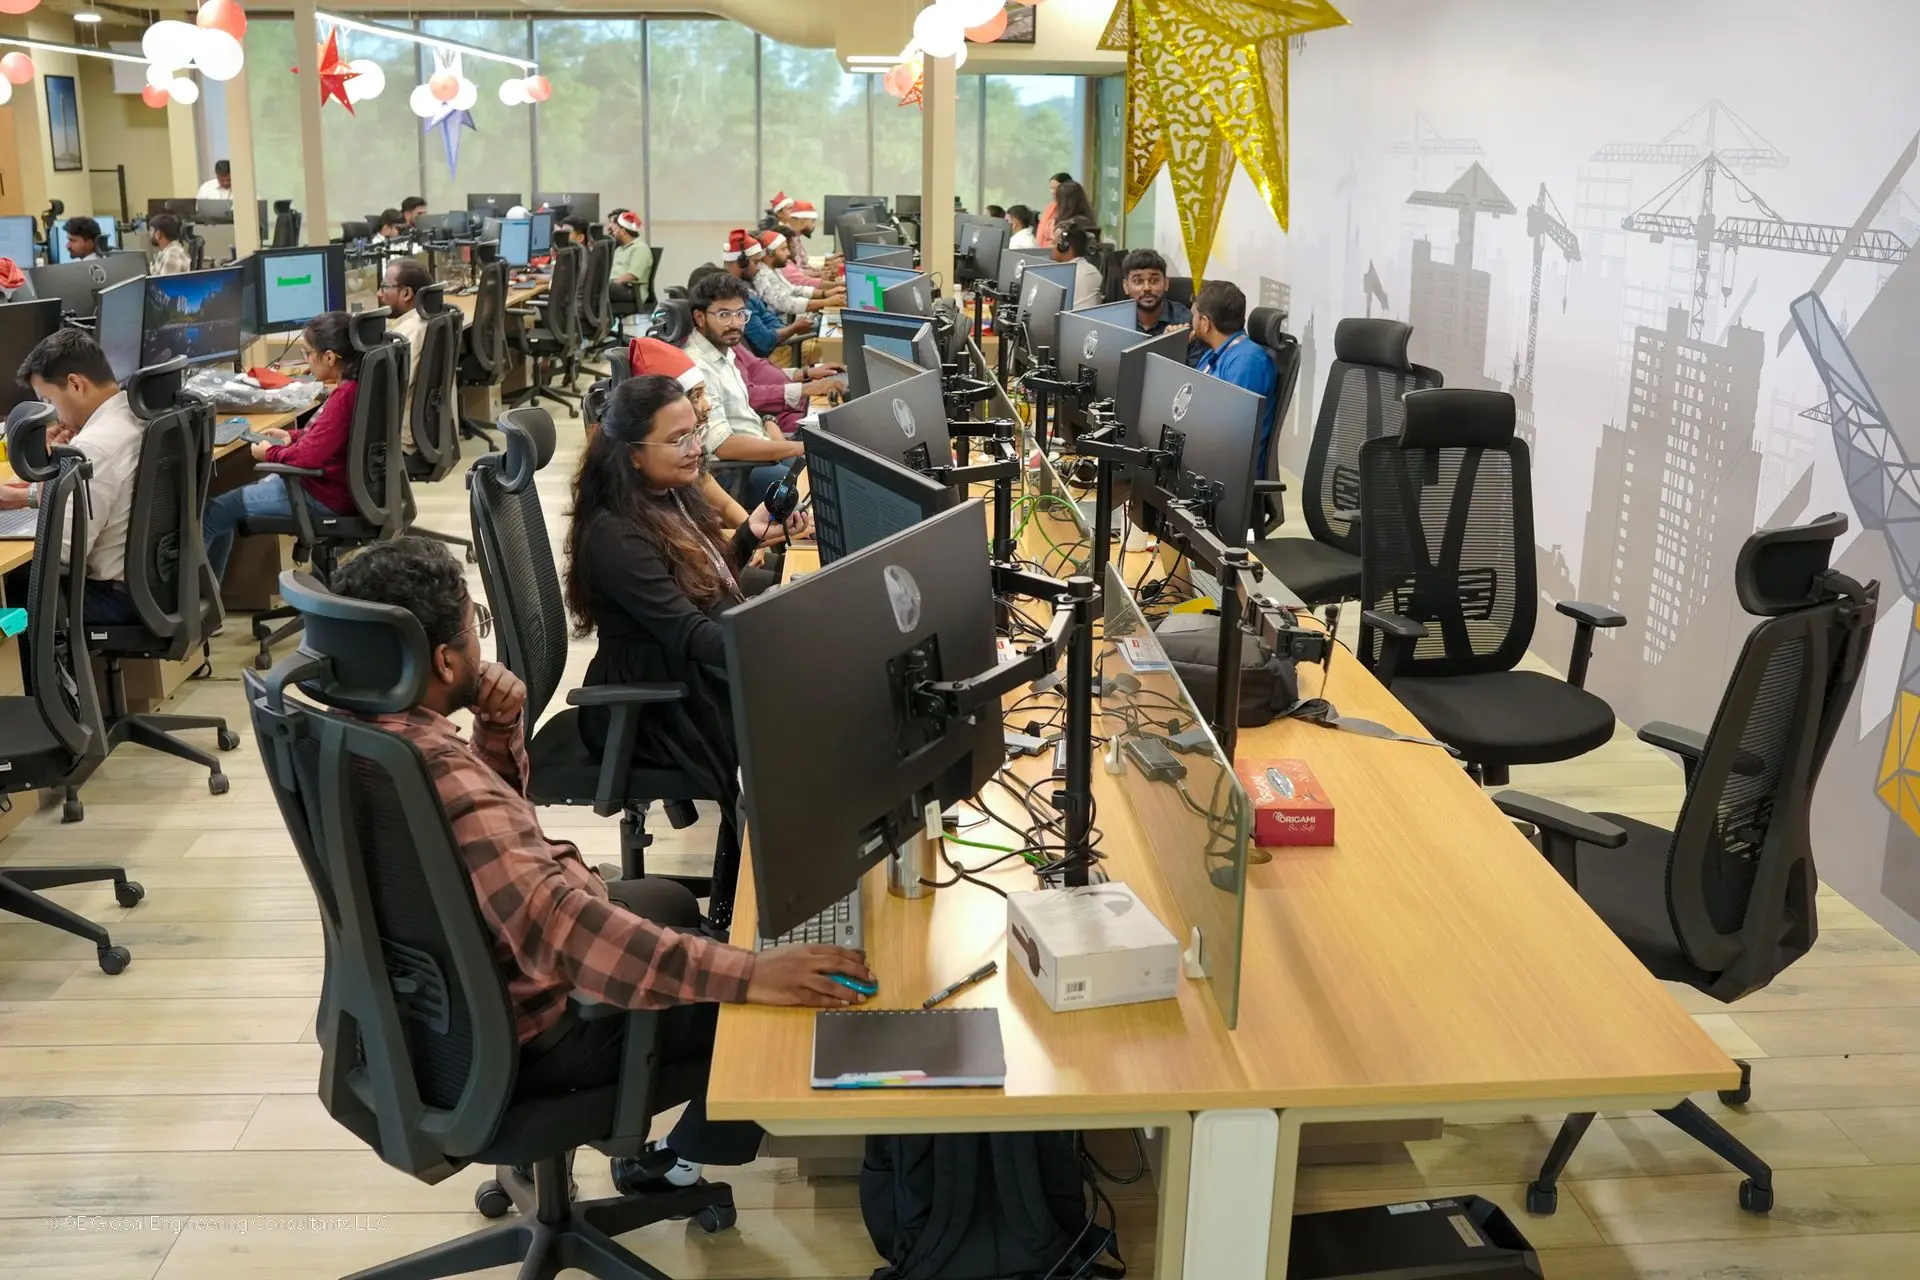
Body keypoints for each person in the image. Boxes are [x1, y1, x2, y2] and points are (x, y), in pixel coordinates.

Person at [330, 536, 871, 1177]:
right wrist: (752, 975)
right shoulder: (447, 780)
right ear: (447, 662)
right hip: (540, 1037)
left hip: (441, 1011)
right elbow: (561, 934)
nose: (481, 645)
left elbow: (480, 854)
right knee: (769, 1010)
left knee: (670, 902)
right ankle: (679, 1159)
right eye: (476, 628)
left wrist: (498, 733)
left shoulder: (353, 740)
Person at [0, 331, 145, 624]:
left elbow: (60, 550)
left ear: (76, 384)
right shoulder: (137, 415)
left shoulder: (92, 446)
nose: (53, 414)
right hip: (150, 589)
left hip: (111, 600)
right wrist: (36, 487)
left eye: (48, 400)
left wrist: (54, 465)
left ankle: (33, 657)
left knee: (12, 591)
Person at [202, 312, 359, 578]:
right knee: (220, 508)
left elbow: (308, 458)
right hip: (336, 487)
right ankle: (209, 597)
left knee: (212, 514)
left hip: (321, 495)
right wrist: (292, 437)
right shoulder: (354, 386)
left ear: (330, 357)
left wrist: (270, 453)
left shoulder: (344, 396)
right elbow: (330, 436)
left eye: (308, 353)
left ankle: (201, 602)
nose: (307, 360)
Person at [684, 270, 804, 497]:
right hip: (737, 471)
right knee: (813, 486)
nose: (735, 323)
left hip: (760, 453)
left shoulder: (724, 352)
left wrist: (768, 423)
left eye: (740, 314)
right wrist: (794, 448)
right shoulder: (699, 367)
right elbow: (723, 445)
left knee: (821, 471)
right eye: (724, 315)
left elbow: (740, 414)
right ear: (699, 318)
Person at [1192, 280, 1280, 480]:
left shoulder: (1247, 361)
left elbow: (1231, 433)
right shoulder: (1214, 354)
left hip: (1227, 477)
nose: (1192, 322)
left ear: (1205, 323)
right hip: (1206, 461)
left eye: (1194, 316)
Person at [710, 240, 814, 362]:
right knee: (823, 347)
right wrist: (794, 328)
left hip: (783, 341)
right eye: (756, 262)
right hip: (772, 354)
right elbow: (765, 342)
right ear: (742, 262)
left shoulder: (746, 288)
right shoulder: (737, 298)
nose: (759, 268)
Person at [377, 257, 433, 455]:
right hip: (424, 432)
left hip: (399, 438)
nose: (379, 294)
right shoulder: (428, 321)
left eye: (385, 287)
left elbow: (384, 389)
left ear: (406, 293)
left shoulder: (407, 334)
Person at [1120, 248, 1203, 364]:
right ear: (1126, 286)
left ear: (1166, 283)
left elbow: (1195, 371)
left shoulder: (1186, 322)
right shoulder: (1116, 323)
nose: (1147, 288)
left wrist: (1175, 348)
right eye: (1138, 281)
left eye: (1154, 281)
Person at [752, 229, 841, 316]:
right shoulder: (761, 275)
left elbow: (792, 289)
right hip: (780, 321)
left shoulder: (774, 269)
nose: (788, 253)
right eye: (783, 249)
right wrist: (827, 302)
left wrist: (825, 293)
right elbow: (786, 303)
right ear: (769, 253)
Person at [1052, 216, 1106, 310]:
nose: (1051, 247)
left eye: (1054, 243)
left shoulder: (1068, 277)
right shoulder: (1091, 270)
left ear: (1064, 246)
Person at [609, 210, 653, 310]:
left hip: (631, 290)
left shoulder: (640, 249)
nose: (613, 233)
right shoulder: (620, 249)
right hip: (616, 288)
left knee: (600, 290)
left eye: (615, 230)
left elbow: (632, 275)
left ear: (623, 231)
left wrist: (612, 283)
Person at [1035, 172, 1074, 247]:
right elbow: (1040, 235)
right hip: (1042, 250)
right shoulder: (1049, 208)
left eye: (1056, 188)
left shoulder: (1072, 209)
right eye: (1051, 188)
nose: (1053, 191)